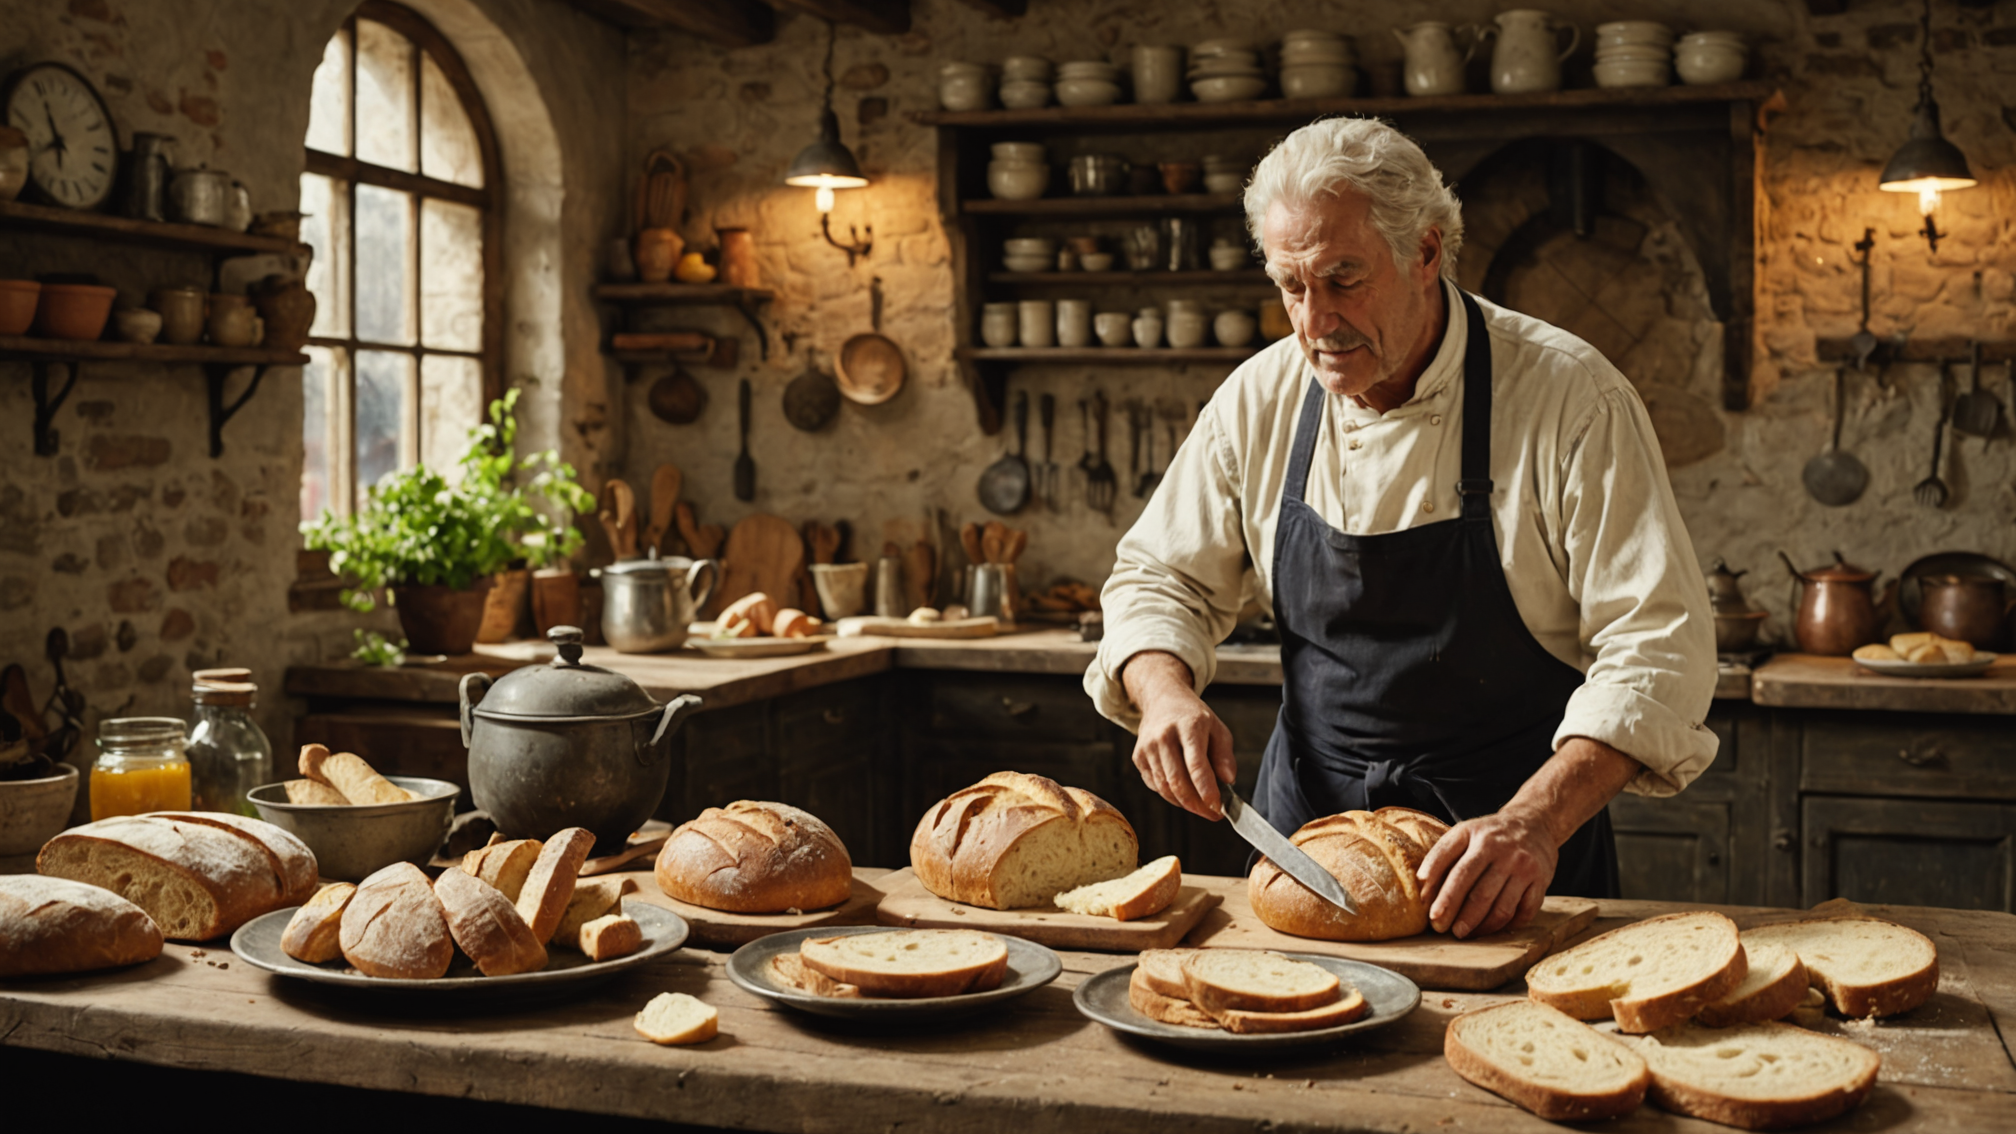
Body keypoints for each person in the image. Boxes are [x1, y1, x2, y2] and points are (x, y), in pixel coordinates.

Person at [1084, 117, 1717, 941]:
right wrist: (1164, 693)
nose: (1315, 321)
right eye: (1291, 286)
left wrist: (1535, 821)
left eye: (1343, 279)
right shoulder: (1259, 398)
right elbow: (1158, 577)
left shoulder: (1570, 399)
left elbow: (1658, 646)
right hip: (1308, 847)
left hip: (1510, 860)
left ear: (1425, 252)